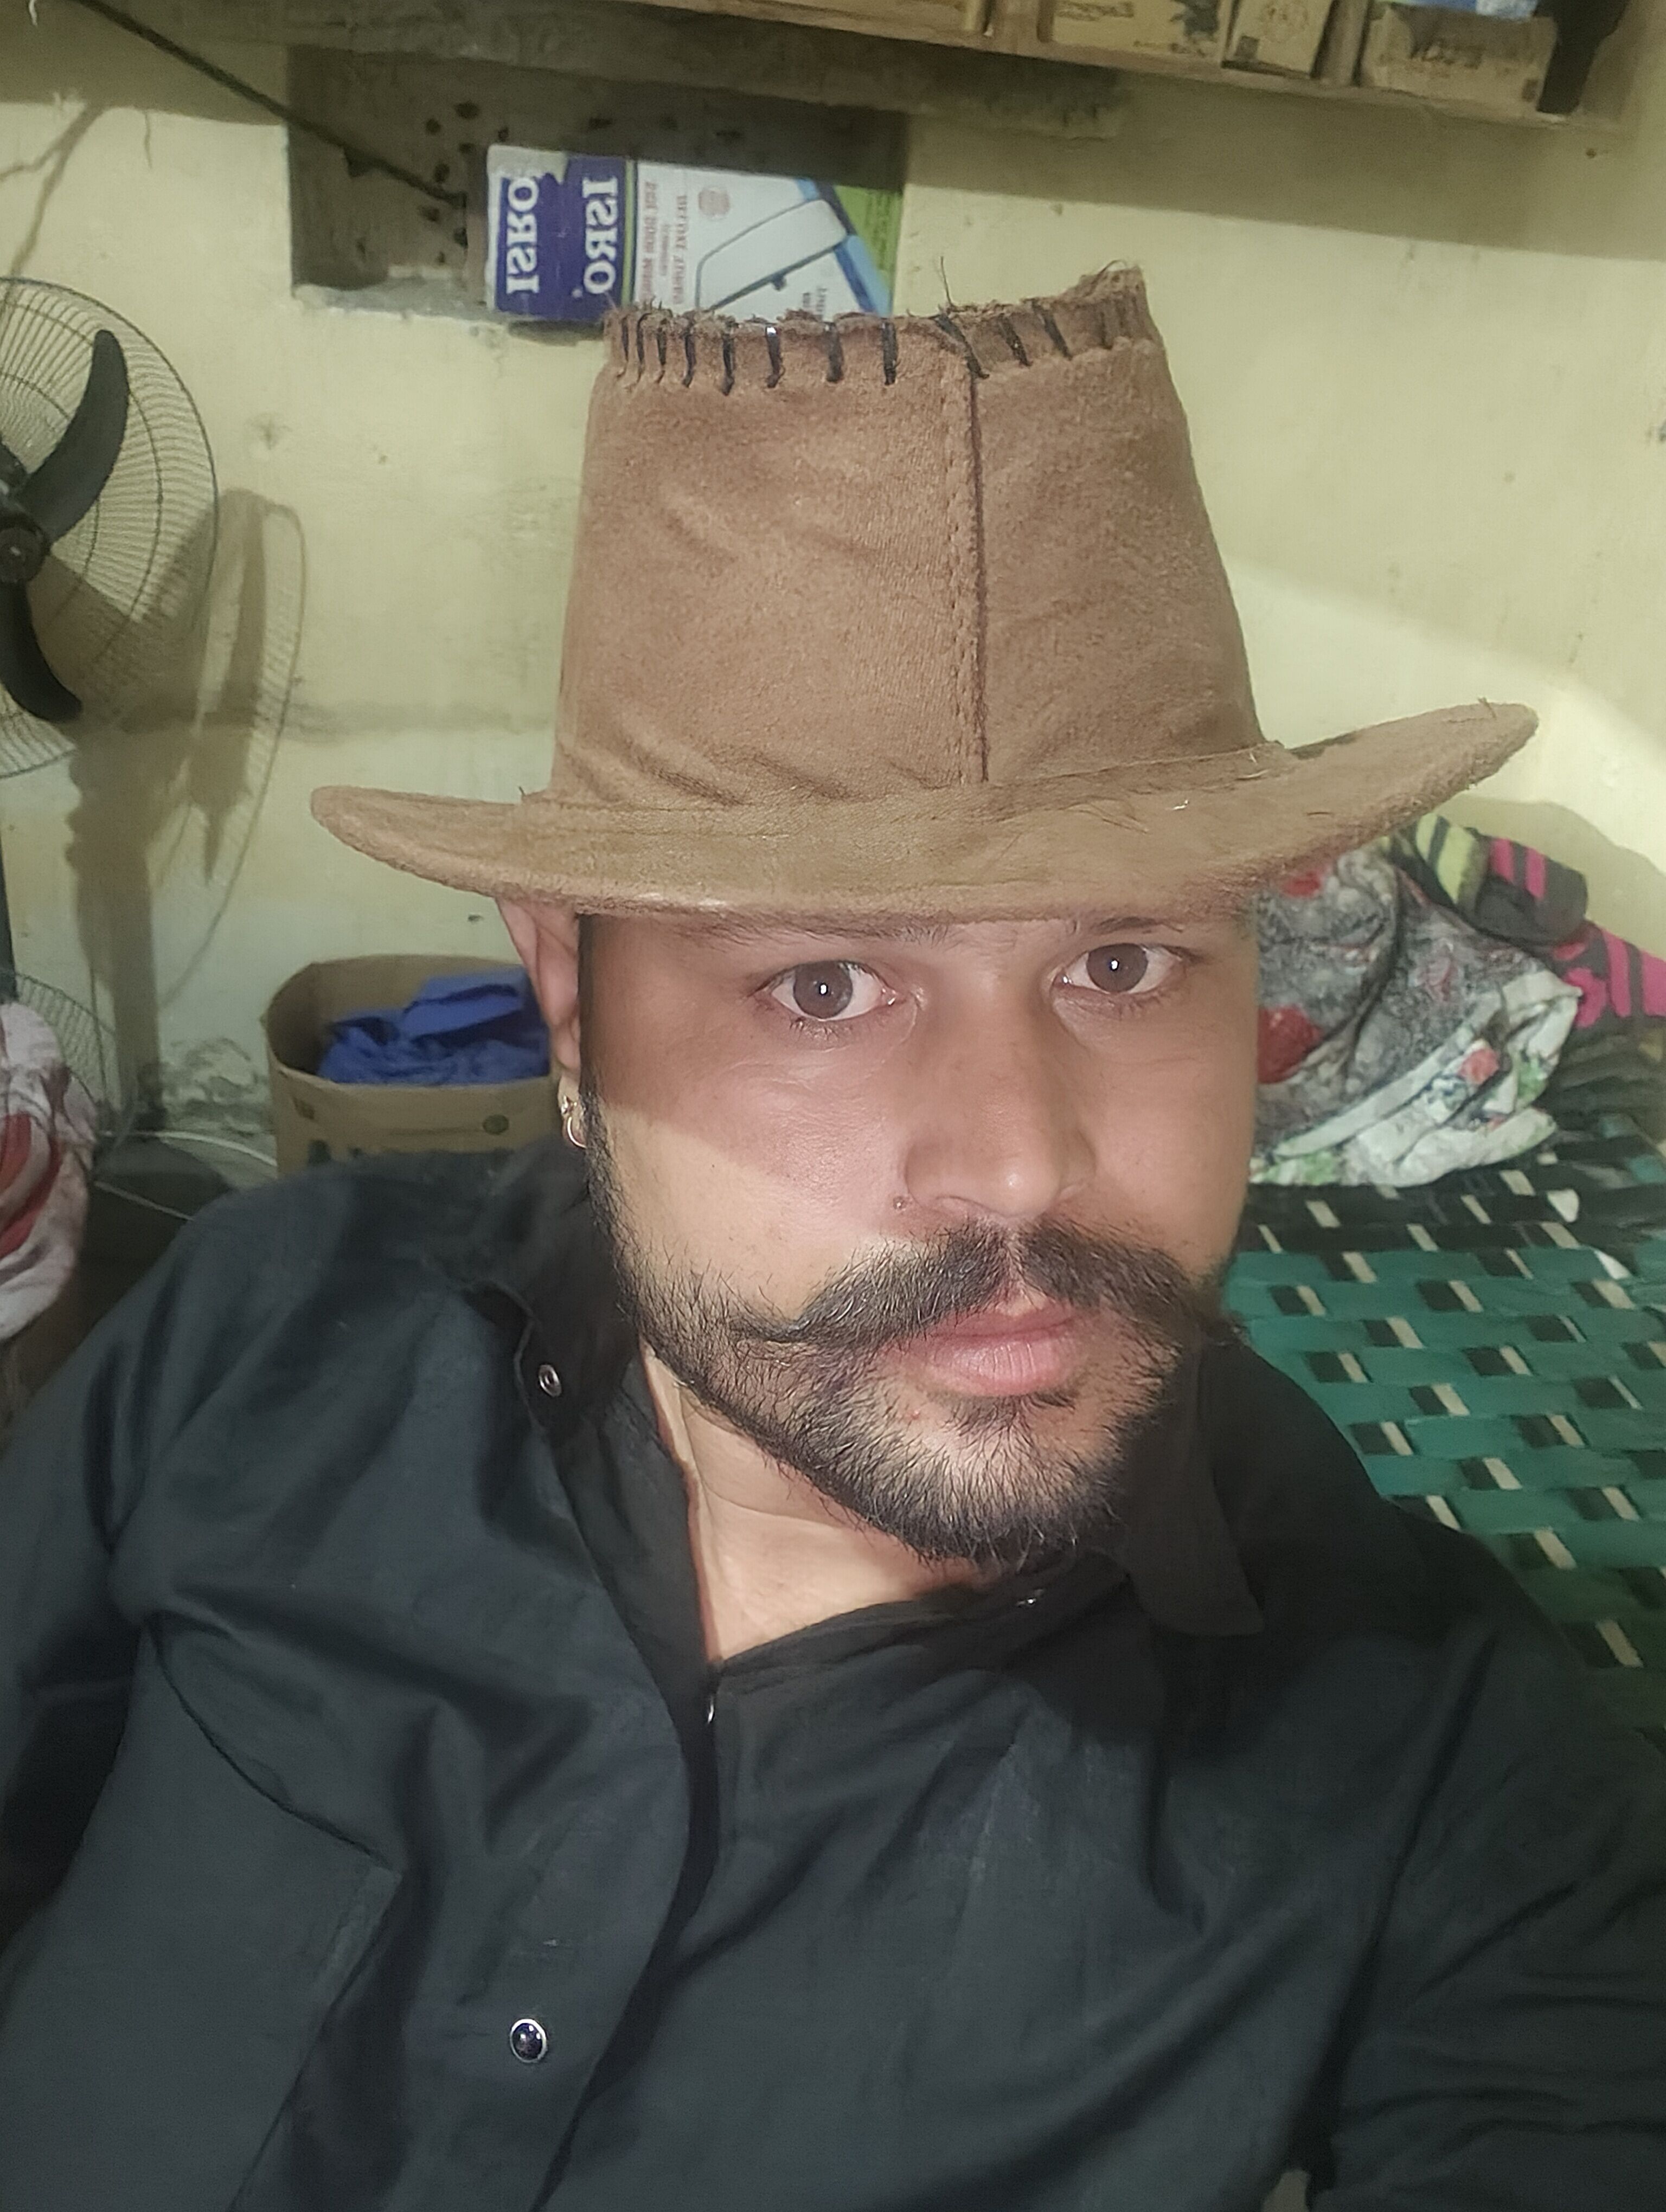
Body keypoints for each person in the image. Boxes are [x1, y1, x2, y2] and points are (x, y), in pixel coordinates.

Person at [1, 268, 1661, 2212]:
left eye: (1126, 962)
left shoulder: (1448, 1770)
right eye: (823, 986)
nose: (1021, 1169)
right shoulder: (262, 1333)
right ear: (568, 997)